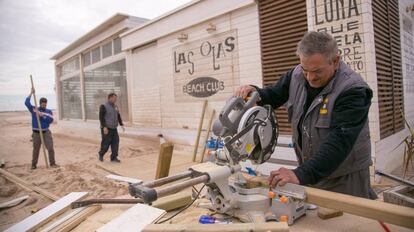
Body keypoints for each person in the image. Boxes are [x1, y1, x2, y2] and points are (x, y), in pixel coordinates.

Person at [235, 31, 376, 199]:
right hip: (311, 171)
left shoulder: (353, 90)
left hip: (344, 177)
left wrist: (300, 174)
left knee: (350, 223)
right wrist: (256, 93)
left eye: (317, 71)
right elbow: (274, 95)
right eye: (305, 70)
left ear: (336, 61)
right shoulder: (296, 75)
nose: (310, 77)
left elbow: (341, 140)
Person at [25, 88, 57, 169]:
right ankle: (33, 165)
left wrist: (42, 116)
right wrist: (31, 93)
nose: (44, 106)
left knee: (50, 148)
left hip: (46, 132)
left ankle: (52, 164)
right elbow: (26, 102)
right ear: (40, 104)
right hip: (36, 133)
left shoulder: (48, 111)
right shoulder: (34, 109)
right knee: (36, 150)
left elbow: (50, 120)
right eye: (43, 104)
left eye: (45, 104)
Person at [98, 93, 125, 162]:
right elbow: (101, 117)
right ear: (110, 98)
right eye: (114, 98)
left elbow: (118, 116)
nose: (115, 100)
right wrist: (104, 127)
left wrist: (121, 124)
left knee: (115, 142)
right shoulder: (103, 106)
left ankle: (113, 157)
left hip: (114, 128)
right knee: (106, 144)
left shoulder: (115, 106)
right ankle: (101, 154)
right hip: (107, 128)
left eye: (116, 99)